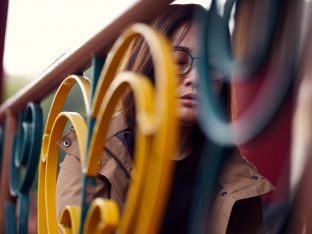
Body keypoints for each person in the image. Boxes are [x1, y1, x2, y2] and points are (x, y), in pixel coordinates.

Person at [56, 4, 274, 234]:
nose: (196, 78)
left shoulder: (238, 177)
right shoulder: (93, 148)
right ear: (148, 65)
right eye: (179, 61)